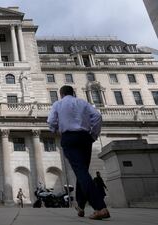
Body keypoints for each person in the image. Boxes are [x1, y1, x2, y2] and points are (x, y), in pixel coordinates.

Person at [47, 85, 110, 220]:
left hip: (69, 138)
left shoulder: (58, 104)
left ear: (61, 94)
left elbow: (51, 121)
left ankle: (100, 207)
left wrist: (56, 130)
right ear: (73, 93)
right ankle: (80, 206)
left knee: (81, 172)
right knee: (82, 171)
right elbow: (97, 116)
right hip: (85, 138)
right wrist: (94, 134)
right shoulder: (83, 102)